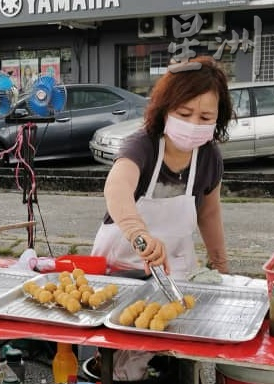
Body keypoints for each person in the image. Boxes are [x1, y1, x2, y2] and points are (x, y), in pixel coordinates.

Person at [91, 56, 232, 280]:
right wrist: (139, 235)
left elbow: (210, 214)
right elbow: (117, 188)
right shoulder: (143, 145)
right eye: (184, 114)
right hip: (119, 271)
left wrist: (221, 268)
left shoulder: (209, 156)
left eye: (205, 117)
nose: (193, 124)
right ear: (165, 109)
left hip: (174, 274)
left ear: (218, 119)